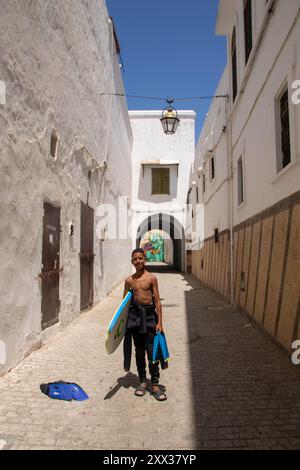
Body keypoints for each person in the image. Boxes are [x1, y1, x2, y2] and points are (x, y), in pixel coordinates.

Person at [123, 248, 167, 401]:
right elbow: (124, 304)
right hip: (135, 318)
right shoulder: (129, 280)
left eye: (140, 258)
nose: (138, 261)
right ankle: (142, 381)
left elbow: (157, 301)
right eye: (135, 259)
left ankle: (154, 384)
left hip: (149, 317)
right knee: (139, 350)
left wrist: (160, 322)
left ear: (145, 259)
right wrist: (122, 325)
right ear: (132, 261)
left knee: (152, 350)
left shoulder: (151, 278)